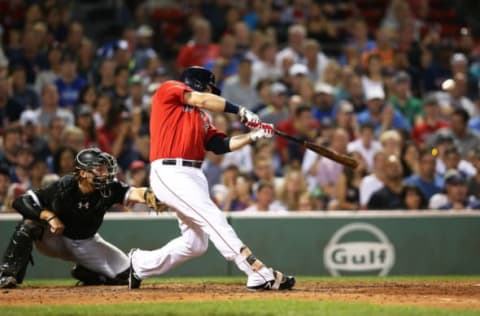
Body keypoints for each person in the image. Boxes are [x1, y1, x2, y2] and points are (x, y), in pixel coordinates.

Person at [128, 66, 295, 291]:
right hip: (170, 171)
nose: (210, 91)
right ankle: (257, 272)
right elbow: (202, 99)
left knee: (195, 244)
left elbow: (220, 145)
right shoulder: (170, 89)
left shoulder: (201, 116)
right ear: (196, 82)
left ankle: (140, 264)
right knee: (212, 216)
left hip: (194, 174)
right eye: (208, 86)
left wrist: (253, 136)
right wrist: (240, 110)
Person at [0, 147, 165, 288]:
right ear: (84, 173)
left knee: (126, 275)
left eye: (106, 169)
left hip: (86, 242)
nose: (106, 173)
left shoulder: (109, 188)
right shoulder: (64, 186)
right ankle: (7, 274)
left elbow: (132, 192)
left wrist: (148, 195)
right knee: (29, 224)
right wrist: (48, 216)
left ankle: (88, 271)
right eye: (100, 169)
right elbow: (22, 201)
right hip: (55, 237)